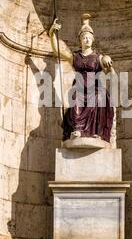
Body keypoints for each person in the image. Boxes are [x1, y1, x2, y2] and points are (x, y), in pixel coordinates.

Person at [49, 13, 114, 142]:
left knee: (100, 97)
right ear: (80, 40)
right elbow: (57, 51)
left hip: (94, 89)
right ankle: (77, 129)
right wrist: (52, 33)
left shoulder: (98, 57)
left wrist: (109, 64)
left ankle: (97, 131)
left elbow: (111, 75)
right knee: (76, 97)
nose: (87, 39)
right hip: (79, 88)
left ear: (93, 39)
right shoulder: (75, 56)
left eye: (89, 37)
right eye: (84, 37)